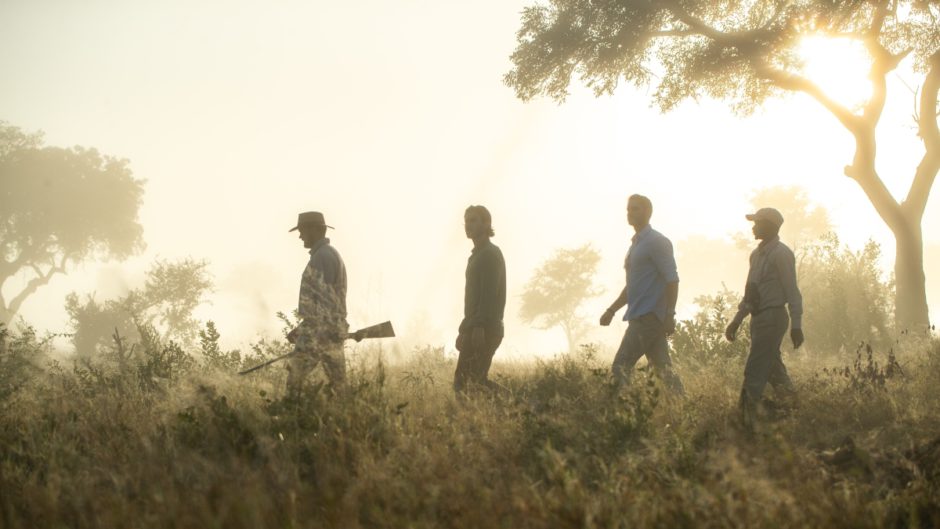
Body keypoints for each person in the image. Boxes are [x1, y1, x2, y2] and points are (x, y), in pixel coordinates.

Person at [725, 207, 803, 426]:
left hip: (774, 316)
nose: (753, 226)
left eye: (757, 222)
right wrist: (737, 320)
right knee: (772, 368)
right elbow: (751, 293)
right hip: (759, 319)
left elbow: (792, 292)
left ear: (770, 226)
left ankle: (745, 421)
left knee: (755, 369)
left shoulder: (781, 254)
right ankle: (794, 409)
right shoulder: (756, 255)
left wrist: (796, 325)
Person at [600, 194, 683, 393]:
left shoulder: (657, 242)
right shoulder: (635, 245)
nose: (630, 213)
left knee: (620, 367)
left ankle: (622, 413)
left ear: (647, 212)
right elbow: (632, 287)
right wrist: (611, 310)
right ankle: (683, 407)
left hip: (648, 318)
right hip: (641, 316)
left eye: (635, 209)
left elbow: (672, 280)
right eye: (629, 209)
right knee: (663, 370)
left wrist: (670, 314)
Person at [286, 211, 348, 397]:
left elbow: (325, 303)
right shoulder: (326, 255)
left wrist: (308, 329)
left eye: (303, 231)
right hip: (327, 330)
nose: (300, 236)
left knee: (294, 381)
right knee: (339, 386)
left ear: (314, 230)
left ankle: (291, 420)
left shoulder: (322, 257)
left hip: (318, 332)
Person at [454, 205, 506, 395]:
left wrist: (478, 327)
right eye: (466, 221)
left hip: (485, 328)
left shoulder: (490, 254)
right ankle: (517, 405)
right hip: (476, 326)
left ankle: (519, 405)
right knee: (472, 382)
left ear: (486, 223)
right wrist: (464, 329)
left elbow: (488, 296)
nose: (468, 225)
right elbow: (473, 301)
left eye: (473, 220)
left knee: (465, 384)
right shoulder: (476, 255)